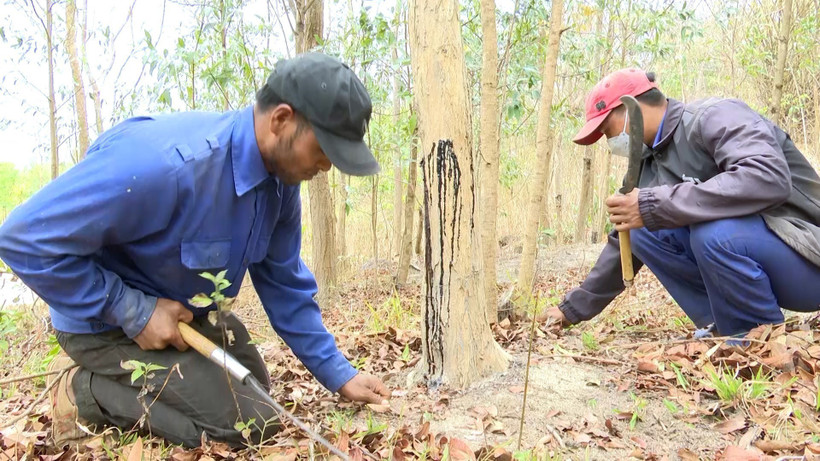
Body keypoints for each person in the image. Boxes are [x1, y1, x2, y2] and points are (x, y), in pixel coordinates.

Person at [0, 52, 390, 448]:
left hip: (183, 316)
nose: (327, 166)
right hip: (102, 325)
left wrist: (339, 373)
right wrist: (134, 310)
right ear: (281, 120)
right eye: (325, 149)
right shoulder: (166, 167)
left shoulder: (280, 185)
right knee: (249, 424)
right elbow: (20, 238)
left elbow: (284, 283)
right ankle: (79, 389)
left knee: (257, 386)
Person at [540, 68, 820, 338]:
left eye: (606, 128)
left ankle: (757, 338)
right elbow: (623, 243)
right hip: (767, 264)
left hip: (808, 256)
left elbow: (768, 177)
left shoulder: (715, 116)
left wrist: (655, 204)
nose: (609, 140)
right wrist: (570, 310)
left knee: (712, 233)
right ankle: (727, 325)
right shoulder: (649, 164)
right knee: (641, 229)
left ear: (632, 108)